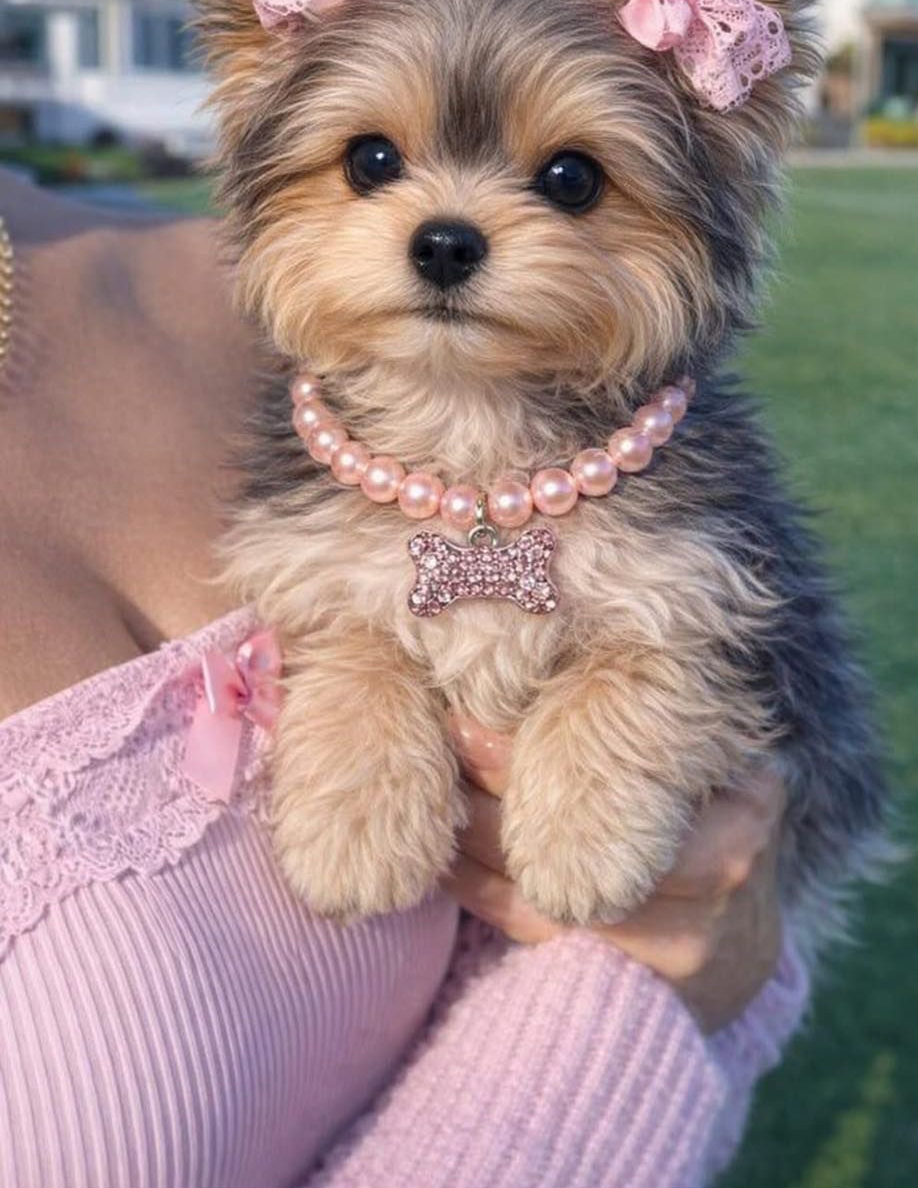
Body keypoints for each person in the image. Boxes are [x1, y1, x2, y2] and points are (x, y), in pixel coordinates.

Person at [0, 170, 806, 1188]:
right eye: (377, 161)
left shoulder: (228, 297)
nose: (445, 228)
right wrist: (356, 667)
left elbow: (741, 816)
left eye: (565, 180)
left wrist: (710, 921)